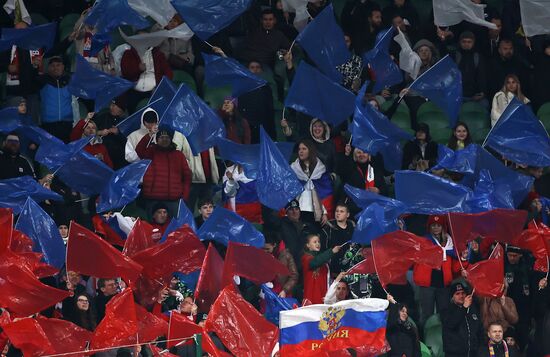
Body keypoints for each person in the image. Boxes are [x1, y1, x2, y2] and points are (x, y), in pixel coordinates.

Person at [135, 126, 192, 217]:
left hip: (173, 200)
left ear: (171, 139)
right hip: (153, 199)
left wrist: (184, 196)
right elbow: (139, 150)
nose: (164, 139)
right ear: (157, 140)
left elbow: (187, 177)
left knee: (173, 229)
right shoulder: (151, 152)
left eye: (167, 137)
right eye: (161, 137)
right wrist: (149, 135)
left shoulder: (179, 155)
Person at [413, 215, 459, 326]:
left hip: (443, 285)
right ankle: (424, 340)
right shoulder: (424, 241)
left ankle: (443, 339)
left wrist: (463, 259)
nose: (436, 228)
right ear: (429, 227)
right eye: (433, 225)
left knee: (443, 314)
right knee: (426, 314)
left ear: (443, 227)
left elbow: (454, 265)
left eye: (439, 225)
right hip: (427, 284)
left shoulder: (449, 244)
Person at [120, 36, 173, 112]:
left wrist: (160, 85)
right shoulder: (129, 54)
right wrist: (138, 68)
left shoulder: (158, 55)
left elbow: (169, 73)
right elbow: (125, 72)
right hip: (134, 90)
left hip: (154, 90)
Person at [290, 139, 334, 224]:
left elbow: (325, 192)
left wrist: (325, 212)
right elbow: (289, 191)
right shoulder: (294, 168)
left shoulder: (320, 169)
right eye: (299, 149)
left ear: (310, 150)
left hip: (316, 211)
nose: (301, 151)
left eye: (304, 149)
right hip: (299, 209)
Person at [35, 57, 73, 143]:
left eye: (58, 65)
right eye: (53, 65)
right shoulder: (42, 80)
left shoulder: (70, 79)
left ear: (63, 67)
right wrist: (35, 67)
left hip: (66, 124)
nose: (56, 68)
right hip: (48, 125)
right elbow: (30, 81)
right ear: (48, 68)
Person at [237, 60, 275, 143]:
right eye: (252, 67)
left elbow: (269, 111)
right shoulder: (242, 87)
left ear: (261, 70)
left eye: (258, 67)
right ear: (247, 70)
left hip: (262, 126)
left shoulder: (266, 88)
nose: (255, 70)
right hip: (247, 127)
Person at [441, 282, 482, 357]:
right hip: (454, 354)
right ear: (452, 297)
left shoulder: (473, 309)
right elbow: (451, 324)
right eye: (457, 293)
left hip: (473, 353)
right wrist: (464, 308)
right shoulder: (447, 310)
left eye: (463, 293)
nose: (461, 296)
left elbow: (479, 330)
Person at [301, 234, 341, 304]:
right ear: (308, 245)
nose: (318, 244)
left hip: (323, 296)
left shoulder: (323, 259)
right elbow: (315, 262)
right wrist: (331, 251)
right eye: (315, 242)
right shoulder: (306, 258)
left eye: (319, 242)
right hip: (312, 298)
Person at [453, 31, 488, 108]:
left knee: (485, 105)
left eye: (469, 42)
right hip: (458, 95)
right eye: (464, 42)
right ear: (460, 42)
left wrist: (482, 92)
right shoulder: (454, 56)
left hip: (475, 96)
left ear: (473, 43)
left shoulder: (478, 57)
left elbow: (482, 77)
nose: (466, 44)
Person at [93, 97, 128, 169]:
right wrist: (100, 132)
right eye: (111, 105)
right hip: (102, 153)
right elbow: (88, 132)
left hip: (118, 156)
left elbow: (127, 143)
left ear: (121, 110)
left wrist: (118, 133)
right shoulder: (103, 116)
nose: (111, 107)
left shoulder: (125, 122)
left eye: (114, 106)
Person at [320, 203, 355, 273]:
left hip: (351, 268)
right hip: (333, 269)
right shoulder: (327, 229)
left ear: (347, 215)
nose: (338, 213)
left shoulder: (353, 228)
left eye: (341, 211)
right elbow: (322, 250)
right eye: (337, 211)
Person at [263, 231, 298, 298]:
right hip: (268, 292)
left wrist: (285, 290)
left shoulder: (286, 256)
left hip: (282, 293)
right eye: (263, 249)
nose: (265, 251)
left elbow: (294, 275)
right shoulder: (265, 255)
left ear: (274, 245)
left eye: (267, 249)